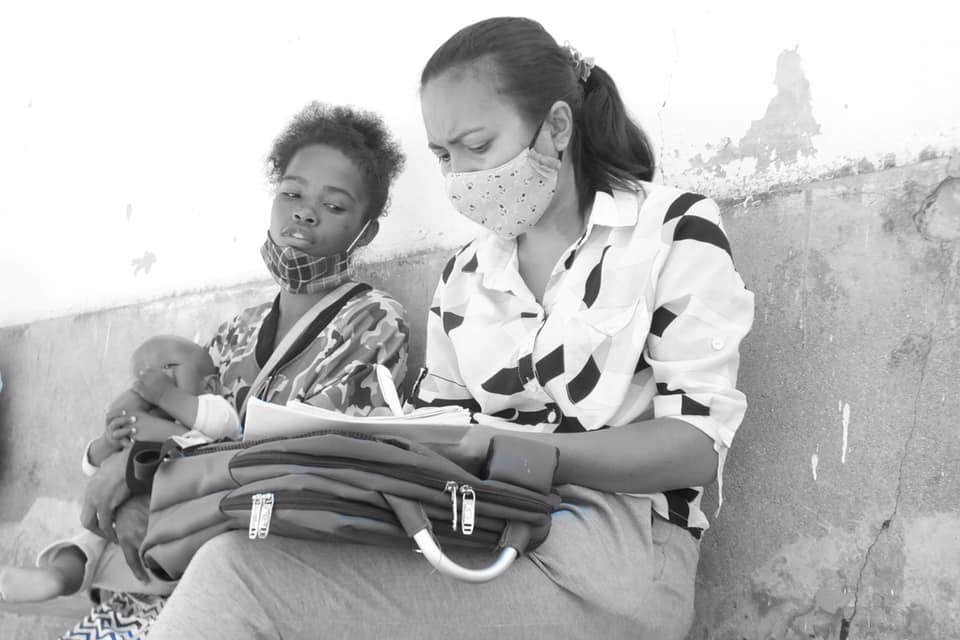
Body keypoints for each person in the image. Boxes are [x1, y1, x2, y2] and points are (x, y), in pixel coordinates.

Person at [146, 17, 755, 640]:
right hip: (473, 530)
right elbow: (434, 430)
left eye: (477, 146)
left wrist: (520, 454)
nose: (459, 175)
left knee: (239, 581)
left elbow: (695, 446)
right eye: (443, 155)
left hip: (612, 559)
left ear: (556, 128)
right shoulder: (465, 274)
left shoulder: (672, 229)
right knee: (240, 561)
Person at [46, 101, 409, 639]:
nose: (304, 213)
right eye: (291, 193)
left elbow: (309, 462)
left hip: (276, 568)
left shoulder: (374, 322)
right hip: (182, 555)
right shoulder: (236, 332)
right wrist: (126, 476)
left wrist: (137, 473)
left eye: (334, 206)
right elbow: (171, 417)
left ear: (367, 232)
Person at [0, 335, 242, 605]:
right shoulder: (140, 422)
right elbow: (92, 466)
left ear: (209, 383)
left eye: (168, 369)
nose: (151, 384)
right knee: (91, 540)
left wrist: (166, 396)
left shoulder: (214, 409)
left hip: (186, 527)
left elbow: (218, 436)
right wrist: (107, 442)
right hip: (137, 539)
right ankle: (56, 576)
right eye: (141, 379)